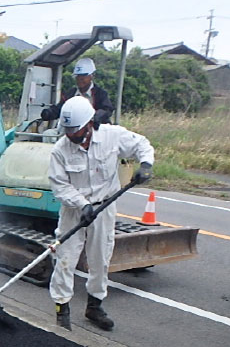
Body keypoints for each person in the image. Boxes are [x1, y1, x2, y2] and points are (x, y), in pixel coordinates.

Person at [47, 96, 153, 331]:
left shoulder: (111, 136)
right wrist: (82, 204)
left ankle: (94, 306)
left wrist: (146, 164)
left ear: (89, 124)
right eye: (68, 130)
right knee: (65, 257)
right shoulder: (60, 150)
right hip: (74, 210)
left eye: (75, 130)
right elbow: (60, 185)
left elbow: (141, 144)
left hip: (104, 207)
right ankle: (61, 309)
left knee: (100, 258)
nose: (70, 135)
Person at [40, 58, 115, 127]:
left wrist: (98, 116)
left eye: (84, 76)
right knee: (49, 134)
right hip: (71, 130)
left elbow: (107, 109)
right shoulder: (71, 94)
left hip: (94, 130)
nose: (80, 79)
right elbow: (60, 109)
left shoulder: (100, 94)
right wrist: (48, 113)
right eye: (78, 76)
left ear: (92, 76)